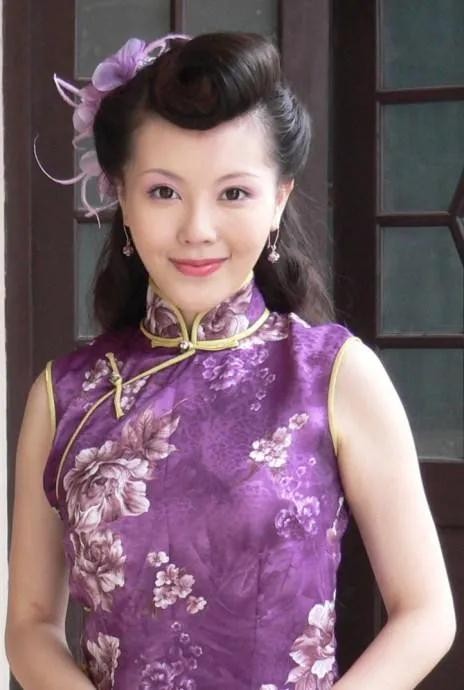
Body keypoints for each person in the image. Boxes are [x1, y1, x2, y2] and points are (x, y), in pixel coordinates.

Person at [5, 31, 456, 690]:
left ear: (279, 199)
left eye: (234, 193)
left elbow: (425, 612)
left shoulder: (334, 375)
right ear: (122, 198)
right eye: (164, 192)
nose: (198, 229)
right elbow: (29, 624)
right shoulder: (65, 395)